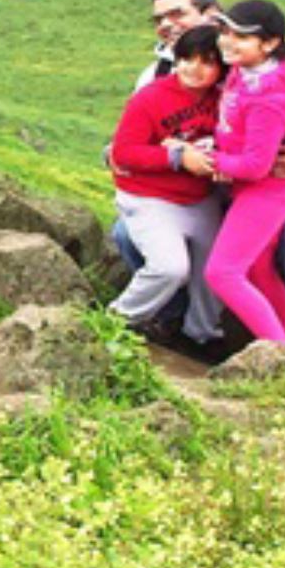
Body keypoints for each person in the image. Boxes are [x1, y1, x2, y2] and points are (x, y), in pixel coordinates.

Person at [116, 0, 285, 357]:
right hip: (203, 186)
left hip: (265, 180)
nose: (166, 24)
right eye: (158, 19)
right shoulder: (158, 74)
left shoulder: (260, 64)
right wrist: (178, 157)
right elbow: (130, 143)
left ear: (210, 13)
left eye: (177, 13)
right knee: (128, 235)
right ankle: (180, 322)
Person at [203, 0, 285, 348]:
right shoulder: (248, 67)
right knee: (257, 270)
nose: (228, 41)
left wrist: (211, 160)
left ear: (269, 43)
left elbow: (256, 166)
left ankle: (281, 357)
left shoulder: (269, 96)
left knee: (222, 273)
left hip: (267, 190)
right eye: (226, 31)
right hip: (267, 186)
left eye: (241, 36)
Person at [106, 25, 227, 353]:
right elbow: (124, 152)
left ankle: (200, 335)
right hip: (149, 196)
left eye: (207, 62)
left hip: (199, 198)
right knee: (169, 267)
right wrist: (176, 156)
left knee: (216, 270)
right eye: (186, 58)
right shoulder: (151, 97)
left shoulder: (224, 99)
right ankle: (116, 321)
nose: (193, 68)